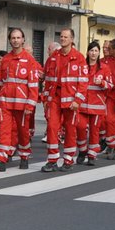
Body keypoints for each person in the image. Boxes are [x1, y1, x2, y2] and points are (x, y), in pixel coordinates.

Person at [0, 27, 41, 171]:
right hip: (5, 102)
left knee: (23, 131)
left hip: (22, 104)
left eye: (18, 38)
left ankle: (24, 156)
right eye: (13, 38)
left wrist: (30, 105)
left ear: (23, 40)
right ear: (9, 40)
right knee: (4, 131)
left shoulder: (30, 60)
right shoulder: (6, 59)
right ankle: (1, 159)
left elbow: (33, 85)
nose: (15, 40)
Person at [41, 28, 86, 171]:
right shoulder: (54, 56)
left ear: (72, 39)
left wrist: (77, 101)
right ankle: (52, 160)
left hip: (71, 100)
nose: (63, 39)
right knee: (52, 128)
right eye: (61, 36)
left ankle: (68, 160)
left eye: (66, 37)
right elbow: (46, 77)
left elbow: (83, 82)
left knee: (70, 130)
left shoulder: (79, 58)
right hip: (55, 97)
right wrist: (46, 96)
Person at [75, 41, 109, 165]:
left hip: (97, 106)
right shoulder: (82, 66)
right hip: (82, 104)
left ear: (99, 53)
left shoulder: (104, 68)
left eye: (96, 51)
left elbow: (110, 85)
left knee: (94, 131)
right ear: (87, 52)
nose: (93, 53)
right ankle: (83, 150)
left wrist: (102, 83)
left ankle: (92, 155)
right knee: (80, 127)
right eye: (91, 50)